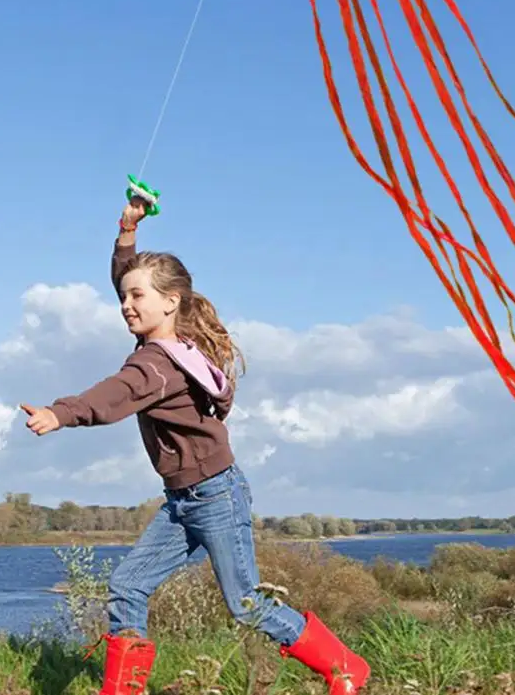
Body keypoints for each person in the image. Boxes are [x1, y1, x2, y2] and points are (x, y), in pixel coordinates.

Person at [20, 195, 370, 695]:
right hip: (183, 499)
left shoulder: (155, 366)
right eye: (124, 298)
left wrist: (61, 412)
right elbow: (128, 274)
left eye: (137, 298)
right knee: (128, 586)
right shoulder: (173, 344)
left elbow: (112, 396)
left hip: (215, 497)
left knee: (246, 602)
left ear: (171, 301)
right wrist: (127, 231)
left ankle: (346, 669)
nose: (126, 305)